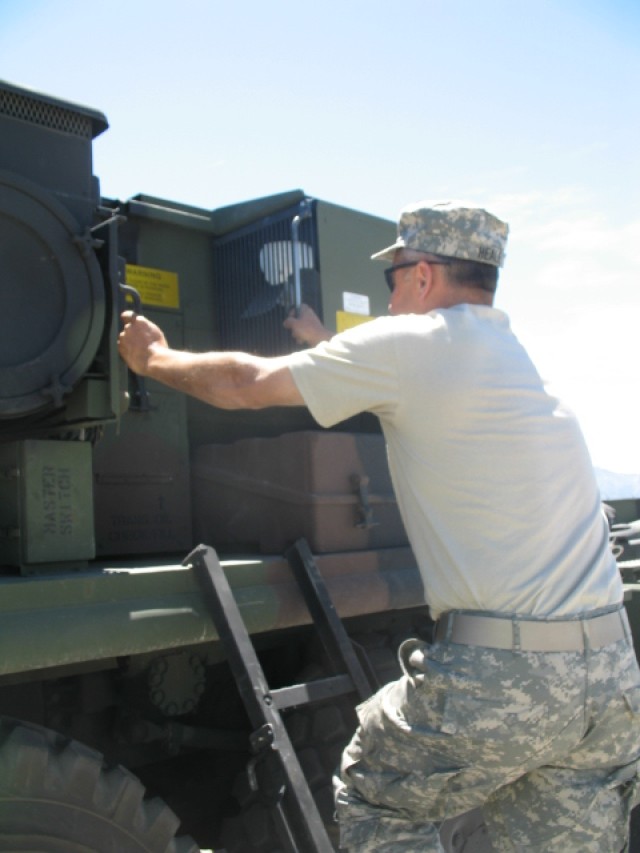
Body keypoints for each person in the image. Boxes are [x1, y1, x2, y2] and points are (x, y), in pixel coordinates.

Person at [118, 201, 640, 852]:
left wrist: (155, 360)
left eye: (394, 279)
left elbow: (246, 382)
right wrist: (322, 342)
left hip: (512, 675)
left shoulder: (410, 346)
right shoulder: (510, 356)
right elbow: (403, 372)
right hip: (612, 682)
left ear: (423, 276)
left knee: (376, 793)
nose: (390, 301)